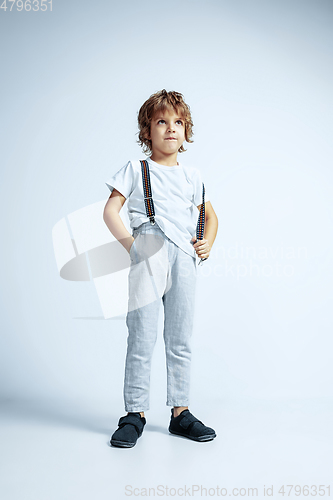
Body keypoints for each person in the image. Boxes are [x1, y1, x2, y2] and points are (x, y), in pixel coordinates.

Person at [103, 89, 218, 448]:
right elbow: (110, 211)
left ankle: (180, 412)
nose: (171, 128)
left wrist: (207, 242)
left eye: (178, 122)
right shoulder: (136, 170)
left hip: (184, 256)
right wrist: (134, 248)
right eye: (162, 121)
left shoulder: (193, 176)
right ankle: (134, 414)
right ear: (147, 131)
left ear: (186, 131)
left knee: (180, 337)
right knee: (141, 335)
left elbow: (210, 217)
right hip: (148, 249)